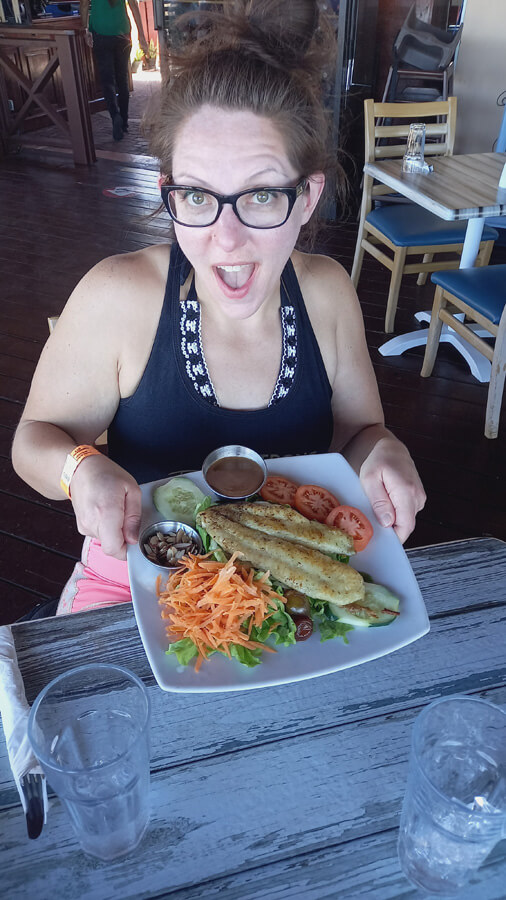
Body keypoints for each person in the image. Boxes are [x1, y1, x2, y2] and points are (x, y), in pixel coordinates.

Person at [12, 0, 426, 615]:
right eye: (198, 196)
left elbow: (359, 434)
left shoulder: (328, 292)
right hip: (135, 579)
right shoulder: (119, 294)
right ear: (169, 191)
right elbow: (33, 441)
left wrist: (384, 449)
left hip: (290, 585)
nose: (226, 241)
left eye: (261, 195)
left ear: (307, 196)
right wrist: (81, 469)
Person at [80, 0, 149, 141]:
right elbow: (134, 5)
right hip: (122, 30)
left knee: (107, 80)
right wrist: (141, 35)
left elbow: (84, 5)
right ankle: (124, 121)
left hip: (100, 30)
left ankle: (115, 116)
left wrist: (85, 29)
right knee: (122, 78)